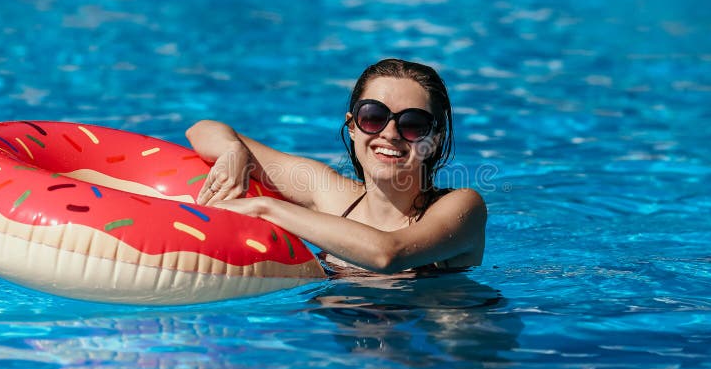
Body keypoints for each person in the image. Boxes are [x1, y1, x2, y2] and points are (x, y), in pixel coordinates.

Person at [185, 58, 486, 274]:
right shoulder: (330, 195)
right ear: (353, 126)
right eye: (373, 117)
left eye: (413, 124)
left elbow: (388, 254)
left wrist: (265, 208)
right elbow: (201, 129)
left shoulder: (462, 207)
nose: (390, 134)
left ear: (435, 138)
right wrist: (233, 151)